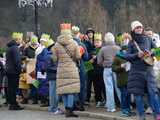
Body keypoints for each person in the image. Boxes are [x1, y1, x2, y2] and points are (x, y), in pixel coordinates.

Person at [125, 20, 160, 120]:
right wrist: (137, 55)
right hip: (136, 71)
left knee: (153, 93)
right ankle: (141, 116)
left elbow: (157, 50)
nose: (139, 28)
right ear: (133, 30)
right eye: (137, 27)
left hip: (149, 70)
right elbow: (126, 56)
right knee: (138, 95)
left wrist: (151, 53)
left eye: (140, 27)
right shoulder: (131, 43)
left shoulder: (148, 39)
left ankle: (157, 114)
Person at [52, 23, 81, 117]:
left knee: (64, 90)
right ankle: (69, 110)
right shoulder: (74, 43)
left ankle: (66, 109)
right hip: (72, 69)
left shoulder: (56, 45)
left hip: (61, 69)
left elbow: (54, 59)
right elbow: (78, 57)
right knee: (71, 90)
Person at [97, 32, 121, 112]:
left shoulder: (102, 49)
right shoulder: (118, 48)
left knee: (109, 88)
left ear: (105, 40)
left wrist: (104, 64)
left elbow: (99, 61)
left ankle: (111, 107)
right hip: (116, 69)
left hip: (107, 69)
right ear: (113, 39)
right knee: (119, 87)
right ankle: (124, 105)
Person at [6, 32, 24, 110]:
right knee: (13, 88)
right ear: (18, 39)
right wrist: (20, 70)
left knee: (10, 88)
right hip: (14, 71)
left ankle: (11, 103)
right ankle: (14, 105)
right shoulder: (15, 48)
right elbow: (17, 61)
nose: (21, 40)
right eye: (21, 39)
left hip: (9, 70)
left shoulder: (10, 47)